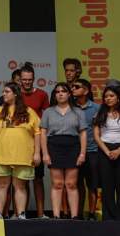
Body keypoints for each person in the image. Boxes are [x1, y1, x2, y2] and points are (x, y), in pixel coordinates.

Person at [0, 82, 41, 220]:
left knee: (20, 186)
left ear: (15, 94)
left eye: (7, 91)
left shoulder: (29, 112)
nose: (3, 94)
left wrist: (36, 153)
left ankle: (21, 214)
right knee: (1, 185)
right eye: (3, 91)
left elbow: (37, 133)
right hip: (1, 154)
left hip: (23, 155)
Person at [40, 82, 87, 219]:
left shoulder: (78, 111)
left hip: (73, 146)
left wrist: (82, 153)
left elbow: (83, 133)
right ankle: (56, 216)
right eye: (57, 91)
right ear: (55, 95)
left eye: (63, 91)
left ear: (69, 94)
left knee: (71, 184)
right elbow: (43, 133)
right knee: (57, 183)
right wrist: (45, 153)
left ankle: (74, 217)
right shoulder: (48, 112)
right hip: (54, 146)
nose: (60, 93)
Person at [19, 63, 49, 218]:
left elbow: (46, 119)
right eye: (24, 79)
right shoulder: (15, 95)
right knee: (21, 180)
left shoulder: (42, 95)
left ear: (34, 79)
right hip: (19, 143)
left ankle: (41, 213)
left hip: (37, 142)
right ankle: (21, 214)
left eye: (30, 79)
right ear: (20, 80)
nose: (27, 82)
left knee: (38, 179)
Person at [72, 78, 100, 219]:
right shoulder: (70, 107)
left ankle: (92, 213)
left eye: (77, 87)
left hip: (93, 151)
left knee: (92, 185)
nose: (73, 89)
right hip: (75, 152)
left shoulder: (96, 108)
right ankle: (78, 214)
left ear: (86, 91)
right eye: (72, 87)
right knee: (76, 185)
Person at [93, 86, 120, 220]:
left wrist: (118, 151)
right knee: (107, 185)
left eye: (111, 96)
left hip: (119, 149)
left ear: (118, 97)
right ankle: (109, 217)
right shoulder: (100, 113)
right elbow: (96, 136)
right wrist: (108, 151)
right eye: (106, 96)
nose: (108, 99)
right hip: (105, 150)